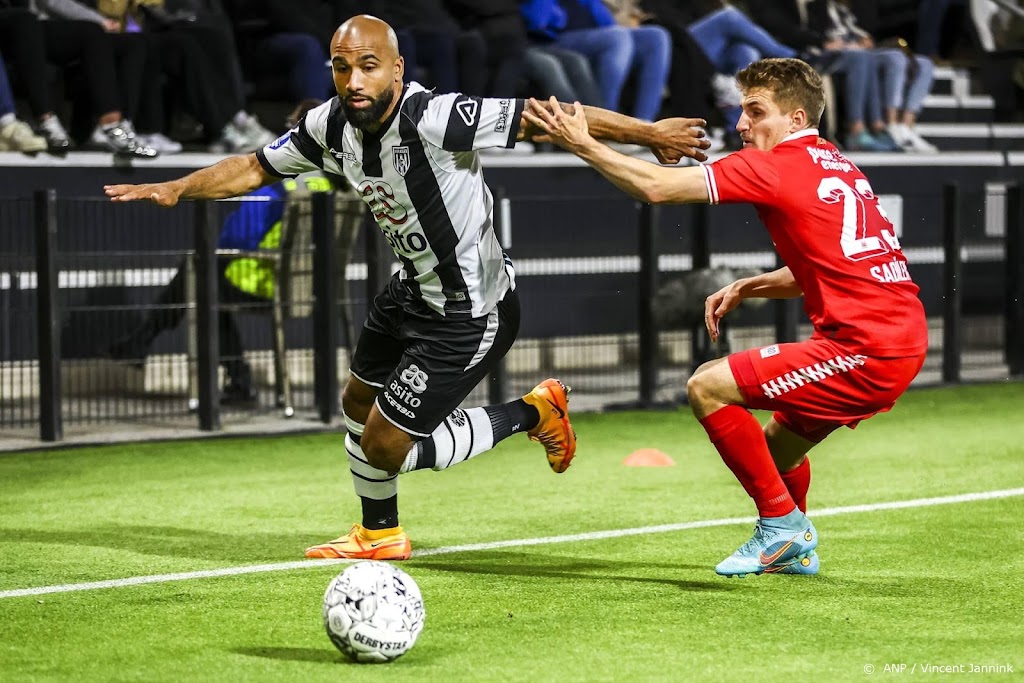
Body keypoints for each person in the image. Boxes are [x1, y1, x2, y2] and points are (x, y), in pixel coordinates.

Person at [103, 14, 711, 560]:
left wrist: (651, 133)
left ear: (396, 68)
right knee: (356, 409)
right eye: (342, 67)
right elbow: (255, 166)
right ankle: (379, 535)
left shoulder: (435, 116)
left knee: (385, 446)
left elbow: (544, 117)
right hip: (410, 292)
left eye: (369, 66)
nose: (355, 81)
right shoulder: (329, 123)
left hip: (472, 310)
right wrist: (179, 186)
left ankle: (533, 411)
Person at [524, 57, 929, 576]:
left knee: (708, 386)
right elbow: (838, 264)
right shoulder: (834, 162)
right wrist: (751, 284)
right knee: (776, 452)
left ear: (796, 119)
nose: (741, 124)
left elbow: (656, 187)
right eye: (741, 111)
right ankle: (792, 550)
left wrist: (583, 143)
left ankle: (782, 527)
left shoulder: (773, 164)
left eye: (755, 111)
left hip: (865, 348)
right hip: (897, 337)